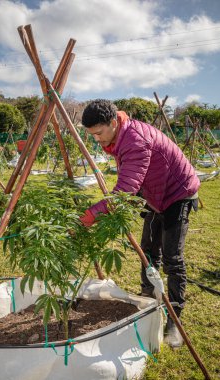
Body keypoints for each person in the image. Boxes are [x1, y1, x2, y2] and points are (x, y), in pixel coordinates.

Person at [79, 99, 200, 348]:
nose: (97, 140)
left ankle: (175, 319)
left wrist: (90, 216)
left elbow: (125, 191)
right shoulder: (119, 136)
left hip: (178, 194)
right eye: (92, 136)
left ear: (113, 123)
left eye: (99, 133)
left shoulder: (135, 140)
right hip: (154, 194)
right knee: (147, 251)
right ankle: (148, 301)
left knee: (172, 258)